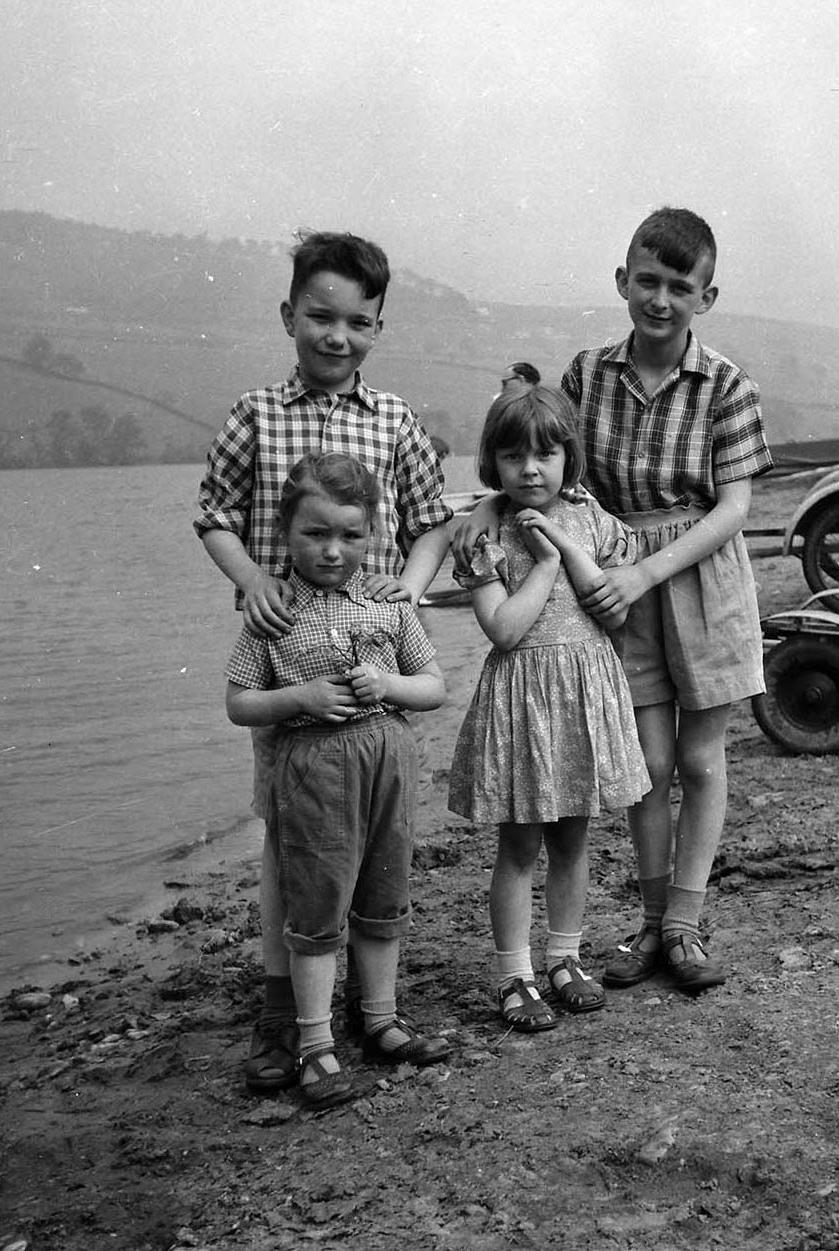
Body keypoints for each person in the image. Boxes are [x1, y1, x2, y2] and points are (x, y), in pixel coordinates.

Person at [455, 206, 774, 997]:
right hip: (604, 569)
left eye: (679, 286)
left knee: (698, 759)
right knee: (645, 761)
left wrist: (644, 573)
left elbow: (733, 509)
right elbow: (548, 468)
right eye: (646, 280)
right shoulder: (588, 372)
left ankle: (684, 925)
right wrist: (490, 514)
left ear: (707, 295)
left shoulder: (727, 385)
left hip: (695, 574)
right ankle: (649, 914)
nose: (659, 298)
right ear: (622, 280)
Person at [195, 231, 453, 1092]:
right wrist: (250, 579)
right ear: (288, 314)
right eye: (319, 317)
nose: (335, 336)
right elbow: (214, 512)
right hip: (284, 650)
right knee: (286, 835)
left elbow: (432, 522)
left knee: (360, 842)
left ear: (377, 327)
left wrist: (407, 593)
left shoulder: (393, 419)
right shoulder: (254, 412)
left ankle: (358, 1010)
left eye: (356, 322)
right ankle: (286, 1013)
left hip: (367, 655)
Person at [225, 452, 451, 1108]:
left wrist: (386, 684)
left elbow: (433, 686)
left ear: (373, 533)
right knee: (316, 904)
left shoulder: (388, 602)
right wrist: (300, 697)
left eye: (350, 536)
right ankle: (315, 1040)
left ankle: (379, 1017)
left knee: (384, 893)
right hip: (312, 770)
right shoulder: (270, 613)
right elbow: (239, 702)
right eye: (314, 534)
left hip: (387, 762)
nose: (332, 550)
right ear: (283, 530)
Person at [448, 385, 650, 1032]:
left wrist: (563, 541)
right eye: (512, 456)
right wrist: (539, 564)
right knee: (517, 846)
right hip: (523, 698)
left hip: (582, 692)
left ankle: (563, 959)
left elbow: (604, 595)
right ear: (492, 463)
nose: (529, 469)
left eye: (545, 454)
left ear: (569, 457)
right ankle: (515, 974)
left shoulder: (588, 518)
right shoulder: (485, 536)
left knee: (572, 837)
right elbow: (504, 631)